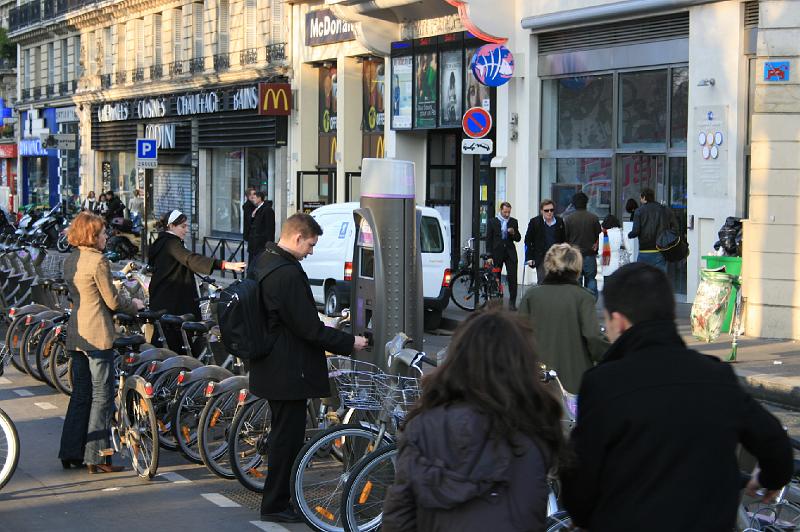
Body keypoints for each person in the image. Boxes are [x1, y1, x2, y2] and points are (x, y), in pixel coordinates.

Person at [561, 263, 794, 532]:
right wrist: (769, 477)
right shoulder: (716, 376)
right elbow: (775, 443)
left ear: (619, 320)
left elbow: (579, 480)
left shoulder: (603, 384)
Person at [382, 309, 564, 531]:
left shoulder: (424, 426)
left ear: (457, 360)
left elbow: (399, 519)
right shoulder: (535, 430)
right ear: (523, 366)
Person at [251, 213, 369, 523]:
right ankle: (276, 505)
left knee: (283, 436)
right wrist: (349, 342)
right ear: (297, 237)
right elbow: (308, 329)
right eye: (311, 245)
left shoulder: (263, 260)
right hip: (289, 370)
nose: (311, 251)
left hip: (271, 366)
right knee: (286, 440)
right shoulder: (287, 274)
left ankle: (277, 501)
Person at [58, 212, 144, 473]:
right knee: (102, 396)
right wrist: (135, 304)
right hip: (97, 336)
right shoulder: (98, 262)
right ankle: (98, 456)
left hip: (76, 334)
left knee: (81, 394)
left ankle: (70, 451)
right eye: (103, 233)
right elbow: (113, 301)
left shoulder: (72, 259)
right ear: (92, 236)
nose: (107, 237)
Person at [148, 210, 245, 353]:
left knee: (166, 343)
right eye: (183, 226)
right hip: (172, 301)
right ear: (171, 226)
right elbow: (191, 259)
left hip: (163, 299)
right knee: (177, 344)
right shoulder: (171, 243)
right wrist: (224, 264)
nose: (186, 230)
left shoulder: (162, 242)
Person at [518, 243, 609, 393]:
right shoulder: (583, 297)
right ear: (576, 267)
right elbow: (593, 337)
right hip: (575, 381)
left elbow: (520, 338)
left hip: (537, 381)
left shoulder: (531, 296)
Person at [564, 192, 601, 298]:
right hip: (590, 254)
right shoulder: (593, 218)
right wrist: (595, 245)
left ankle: (578, 303)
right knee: (591, 279)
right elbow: (599, 236)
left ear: (574, 203)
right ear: (586, 202)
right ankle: (591, 301)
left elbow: (565, 239)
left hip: (575, 256)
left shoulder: (569, 219)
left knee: (576, 281)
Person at [485, 202, 521, 310]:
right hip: (497, 253)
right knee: (496, 278)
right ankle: (497, 302)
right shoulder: (493, 222)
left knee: (512, 278)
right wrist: (489, 255)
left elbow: (518, 238)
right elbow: (489, 239)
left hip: (510, 253)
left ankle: (512, 303)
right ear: (500, 210)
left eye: (509, 212)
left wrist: (513, 233)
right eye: (505, 212)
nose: (507, 214)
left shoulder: (513, 221)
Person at [628, 188, 671, 272]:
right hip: (660, 250)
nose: (640, 200)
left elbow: (635, 232)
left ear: (644, 197)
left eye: (640, 197)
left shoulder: (639, 211)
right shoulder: (662, 209)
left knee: (643, 279)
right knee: (660, 278)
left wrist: (628, 235)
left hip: (645, 251)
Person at [524, 199, 566, 285]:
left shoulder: (559, 222)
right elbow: (528, 240)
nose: (549, 212)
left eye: (552, 210)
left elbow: (563, 240)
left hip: (556, 257)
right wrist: (529, 257)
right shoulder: (535, 222)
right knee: (543, 282)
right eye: (546, 210)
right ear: (541, 211)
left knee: (557, 282)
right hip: (541, 256)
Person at [246, 190, 276, 269]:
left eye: (254, 198)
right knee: (252, 266)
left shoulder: (267, 210)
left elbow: (270, 228)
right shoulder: (257, 209)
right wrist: (252, 216)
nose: (253, 200)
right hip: (254, 245)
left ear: (259, 198)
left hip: (261, 244)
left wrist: (268, 244)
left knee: (258, 266)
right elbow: (252, 225)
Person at [598, 214, 625, 280]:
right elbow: (629, 250)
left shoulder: (603, 235)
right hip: (620, 265)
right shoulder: (623, 233)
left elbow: (601, 252)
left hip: (607, 265)